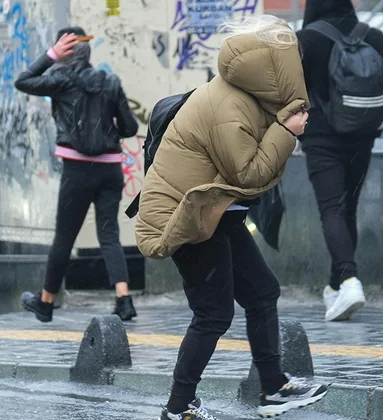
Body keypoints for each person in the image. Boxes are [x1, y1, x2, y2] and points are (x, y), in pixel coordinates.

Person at [136, 15, 329, 420]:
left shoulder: (243, 94)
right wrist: (286, 131)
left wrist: (279, 125)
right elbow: (249, 174)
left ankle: (274, 387)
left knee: (262, 292)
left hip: (216, 214)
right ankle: (178, 407)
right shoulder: (229, 104)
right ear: (270, 70)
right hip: (187, 218)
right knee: (213, 313)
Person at [297, 0, 383, 322]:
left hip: (321, 137)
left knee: (331, 208)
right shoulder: (372, 37)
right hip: (362, 136)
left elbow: (284, 89)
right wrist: (369, 110)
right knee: (348, 207)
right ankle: (336, 287)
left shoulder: (306, 40)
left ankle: (349, 281)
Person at [14, 26, 140, 323]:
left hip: (77, 169)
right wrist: (107, 129)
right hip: (111, 169)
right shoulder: (109, 82)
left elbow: (23, 81)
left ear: (65, 53)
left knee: (64, 237)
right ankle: (124, 299)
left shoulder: (61, 80)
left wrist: (50, 55)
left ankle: (45, 303)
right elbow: (131, 128)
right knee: (109, 234)